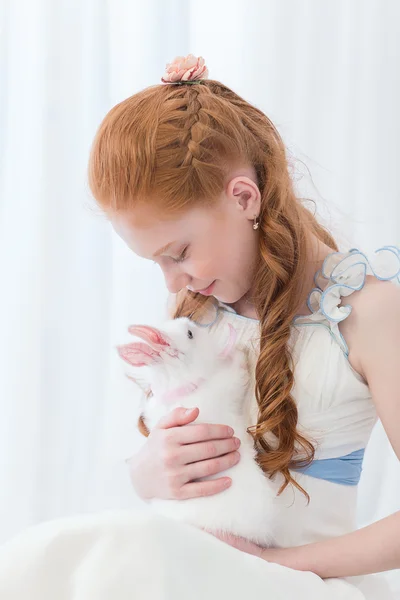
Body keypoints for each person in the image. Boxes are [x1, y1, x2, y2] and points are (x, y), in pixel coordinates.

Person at [4, 53, 395, 600]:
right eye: (157, 263)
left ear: (243, 197)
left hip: (307, 584)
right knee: (46, 559)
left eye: (180, 253)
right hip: (201, 573)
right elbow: (172, 461)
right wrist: (147, 472)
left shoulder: (370, 312)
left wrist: (280, 563)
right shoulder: (199, 312)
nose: (172, 284)